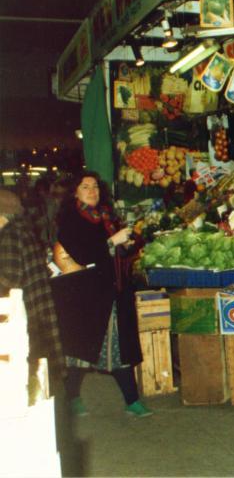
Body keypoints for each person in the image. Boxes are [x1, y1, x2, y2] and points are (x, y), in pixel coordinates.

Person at [53, 171, 152, 418]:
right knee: (80, 353)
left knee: (118, 347)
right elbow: (83, 255)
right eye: (85, 186)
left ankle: (132, 400)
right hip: (84, 297)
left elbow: (118, 254)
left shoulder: (106, 216)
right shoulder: (70, 220)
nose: (92, 191)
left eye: (95, 186)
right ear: (75, 192)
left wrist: (128, 245)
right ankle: (73, 397)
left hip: (113, 292)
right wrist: (111, 242)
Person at [0, 188, 64, 377]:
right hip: (37, 309)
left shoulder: (9, 235)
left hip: (26, 312)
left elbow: (10, 278)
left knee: (27, 370)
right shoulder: (22, 229)